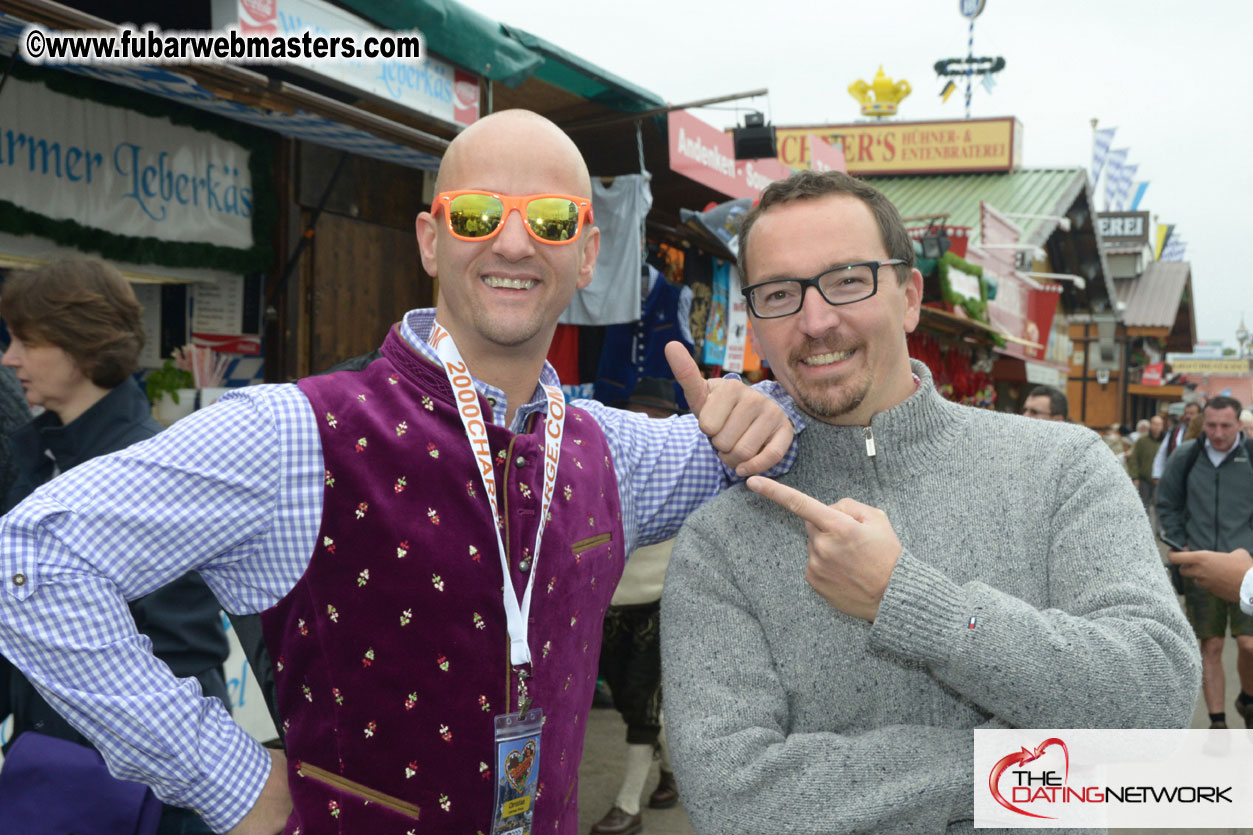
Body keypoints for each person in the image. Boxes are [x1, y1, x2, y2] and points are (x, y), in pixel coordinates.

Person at [0, 111, 798, 835]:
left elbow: (820, 400)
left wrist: (761, 412)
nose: (514, 244)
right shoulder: (295, 433)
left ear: (588, 252)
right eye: (478, 215)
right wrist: (225, 776)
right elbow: (31, 560)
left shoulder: (612, 449)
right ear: (429, 239)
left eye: (551, 221)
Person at [659, 169, 1200, 834]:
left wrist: (916, 605)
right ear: (755, 321)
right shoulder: (720, 540)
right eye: (778, 293)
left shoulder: (1062, 467)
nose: (815, 319)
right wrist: (1049, 770)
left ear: (908, 296)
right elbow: (733, 799)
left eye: (848, 280)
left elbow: (1157, 698)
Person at [0, 258, 230, 835]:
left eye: (27, 341)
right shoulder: (38, 457)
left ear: (80, 346)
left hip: (132, 801)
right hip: (48, 779)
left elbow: (185, 658)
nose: (10, 359)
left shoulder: (154, 473)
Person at [590, 378, 682, 835]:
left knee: (643, 704)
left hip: (658, 607)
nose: (646, 423)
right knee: (629, 701)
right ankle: (673, 770)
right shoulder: (610, 463)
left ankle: (627, 806)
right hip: (612, 607)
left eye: (657, 416)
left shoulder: (689, 473)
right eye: (639, 414)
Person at [1156, 395, 1253, 729]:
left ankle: (1248, 699)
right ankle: (1218, 723)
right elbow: (1166, 503)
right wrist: (1178, 541)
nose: (1218, 432)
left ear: (1239, 424)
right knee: (1210, 645)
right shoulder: (1187, 455)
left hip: (1245, 566)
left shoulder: (1251, 455)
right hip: (1201, 565)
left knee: (1249, 644)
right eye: (1211, 424)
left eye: (1226, 425)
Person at [1152, 400, 1201, 482]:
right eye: (1186, 413)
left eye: (1192, 414)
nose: (1188, 416)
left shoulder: (1205, 433)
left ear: (1199, 415)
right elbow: (1162, 453)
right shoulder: (1175, 431)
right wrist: (1157, 475)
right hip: (1174, 477)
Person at [1127, 414, 1164, 513]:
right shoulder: (1142, 441)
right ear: (1150, 425)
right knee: (1144, 506)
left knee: (1159, 506)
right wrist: (1135, 476)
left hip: (1161, 480)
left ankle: (1159, 528)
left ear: (1162, 426)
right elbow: (1134, 459)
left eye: (1159, 424)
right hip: (1144, 479)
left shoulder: (1165, 441)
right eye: (1155, 424)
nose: (1157, 427)